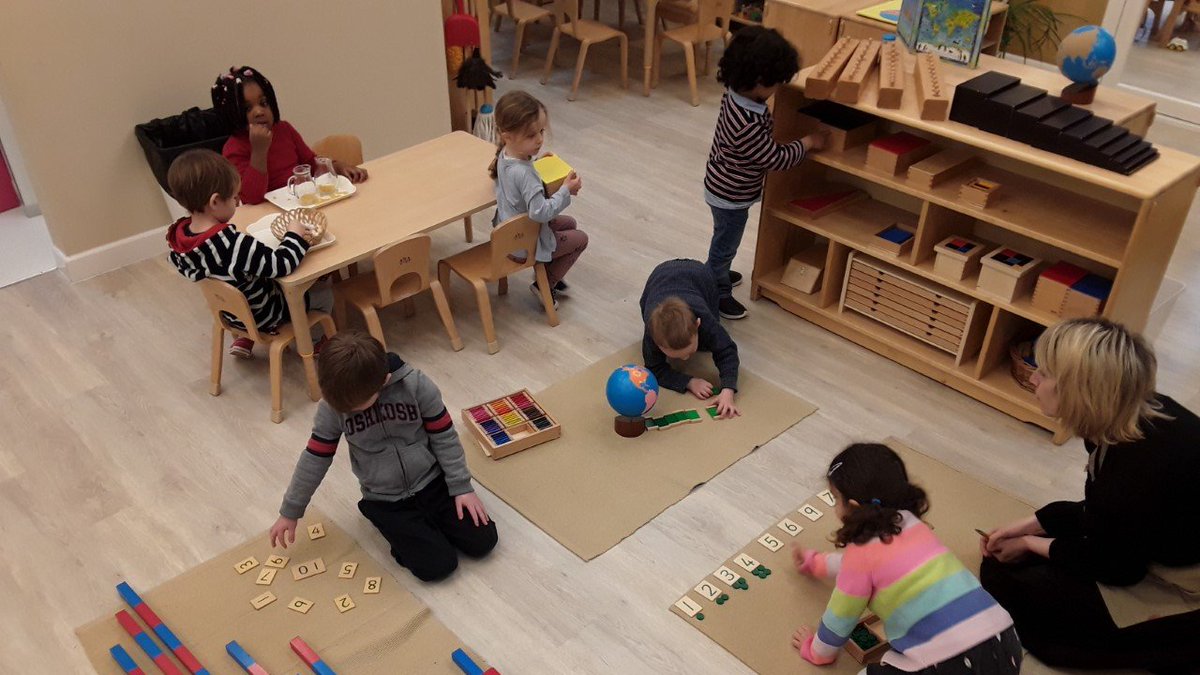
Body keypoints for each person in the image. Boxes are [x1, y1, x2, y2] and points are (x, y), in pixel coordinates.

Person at [980, 318, 1200, 671]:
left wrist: (1029, 543)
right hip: (1149, 539)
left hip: (1181, 580)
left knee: (1013, 589)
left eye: (1045, 373)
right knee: (1007, 571)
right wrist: (1028, 526)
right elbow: (1100, 513)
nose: (1033, 378)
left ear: (1081, 390)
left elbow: (1118, 567)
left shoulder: (1138, 466)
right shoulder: (1133, 413)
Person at [269, 331, 498, 582]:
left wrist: (461, 487)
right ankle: (381, 518)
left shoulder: (416, 385)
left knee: (484, 542)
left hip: (433, 482)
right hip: (386, 500)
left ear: (384, 380)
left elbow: (445, 437)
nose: (350, 411)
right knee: (437, 567)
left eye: (357, 406)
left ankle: (425, 527)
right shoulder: (332, 406)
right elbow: (315, 458)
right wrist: (290, 511)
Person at [793, 443, 1021, 675]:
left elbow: (838, 620)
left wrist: (816, 652)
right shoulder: (912, 523)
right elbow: (867, 567)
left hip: (953, 665)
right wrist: (817, 563)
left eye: (835, 499)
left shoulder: (859, 557)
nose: (835, 507)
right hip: (1006, 644)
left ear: (852, 508)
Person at [704, 26, 826, 320]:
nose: (777, 90)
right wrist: (807, 143)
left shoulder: (737, 93)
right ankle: (715, 288)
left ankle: (717, 271)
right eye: (775, 84)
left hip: (723, 183)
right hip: (730, 195)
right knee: (725, 245)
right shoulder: (746, 123)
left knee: (724, 241)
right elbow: (775, 158)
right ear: (759, 82)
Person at [165, 149, 332, 358]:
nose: (237, 203)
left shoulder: (179, 241)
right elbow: (282, 265)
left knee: (242, 283)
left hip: (231, 313)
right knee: (324, 293)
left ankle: (245, 336)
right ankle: (313, 343)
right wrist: (295, 236)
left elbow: (227, 267)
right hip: (265, 314)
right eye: (235, 198)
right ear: (215, 202)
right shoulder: (231, 244)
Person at [212, 66, 368, 205]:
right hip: (268, 217)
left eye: (264, 103)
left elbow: (310, 164)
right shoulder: (233, 149)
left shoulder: (284, 129)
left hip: (301, 204)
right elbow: (252, 197)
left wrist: (337, 166)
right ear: (231, 115)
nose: (259, 111)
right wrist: (259, 151)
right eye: (247, 109)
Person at [489, 90, 586, 309]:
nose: (540, 139)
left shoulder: (505, 154)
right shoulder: (525, 173)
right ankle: (544, 284)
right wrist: (565, 191)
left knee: (569, 223)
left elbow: (521, 188)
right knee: (580, 239)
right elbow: (540, 212)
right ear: (508, 136)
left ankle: (549, 273)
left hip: (508, 232)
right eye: (531, 135)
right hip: (523, 244)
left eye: (541, 131)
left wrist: (537, 163)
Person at [640, 259, 740, 418]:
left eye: (689, 350)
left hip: (700, 275)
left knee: (711, 340)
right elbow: (654, 368)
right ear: (656, 342)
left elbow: (726, 350)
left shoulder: (704, 318)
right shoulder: (651, 334)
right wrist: (689, 382)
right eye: (677, 355)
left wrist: (728, 389)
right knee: (648, 307)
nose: (686, 358)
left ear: (698, 324)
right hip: (659, 277)